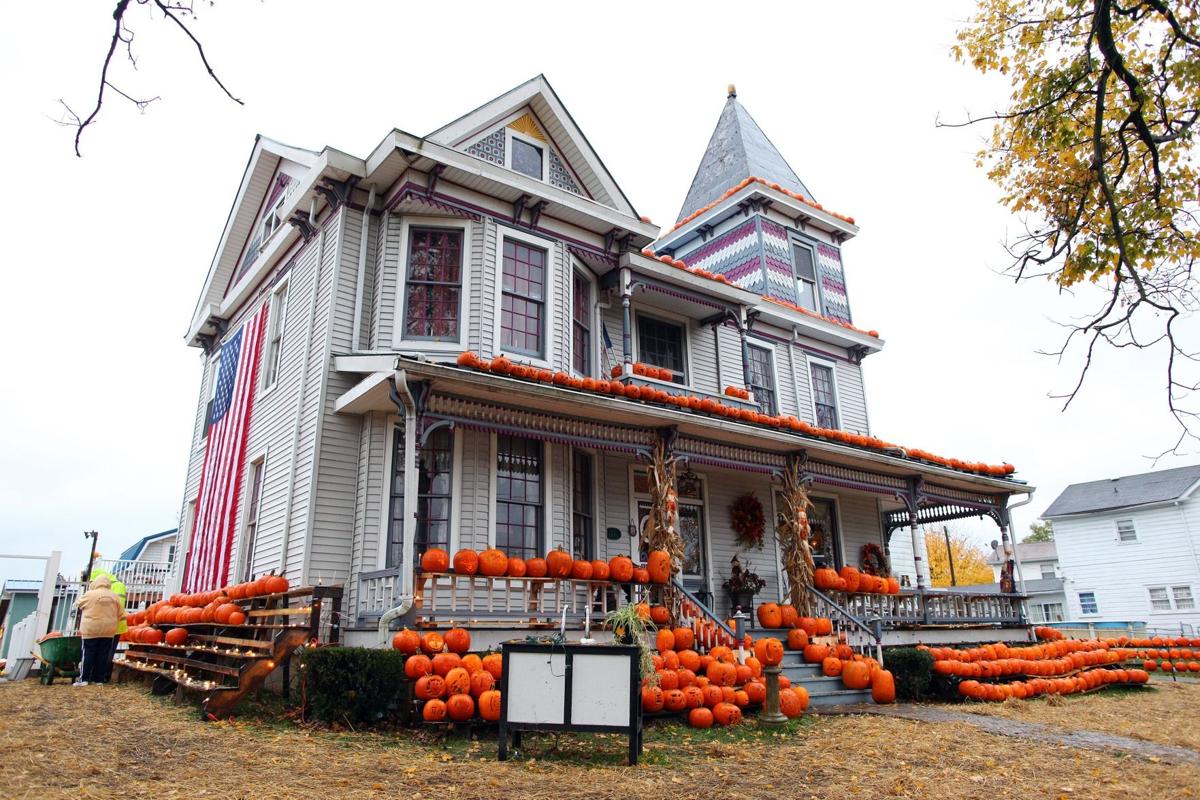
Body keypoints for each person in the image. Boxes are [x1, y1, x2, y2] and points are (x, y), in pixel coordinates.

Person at [74, 574, 125, 686]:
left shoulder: (89, 594)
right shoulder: (114, 596)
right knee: (103, 655)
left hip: (91, 628)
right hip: (108, 630)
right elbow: (120, 614)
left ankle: (84, 679)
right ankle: (99, 680)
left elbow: (78, 604)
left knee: (88, 653)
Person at [89, 566, 127, 683]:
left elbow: (117, 606)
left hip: (113, 624)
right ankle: (97, 675)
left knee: (107, 652)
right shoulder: (110, 587)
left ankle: (104, 675)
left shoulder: (117, 586)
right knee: (101, 651)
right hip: (105, 624)